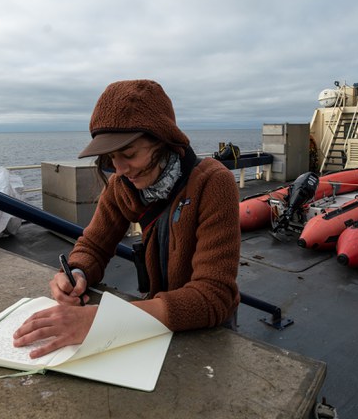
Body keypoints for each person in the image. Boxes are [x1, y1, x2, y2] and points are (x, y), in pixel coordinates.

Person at [13, 79, 241, 358]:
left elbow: (213, 296)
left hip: (207, 333)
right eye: (110, 157)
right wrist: (76, 273)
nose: (120, 169)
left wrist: (103, 321)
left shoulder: (214, 183)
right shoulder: (121, 186)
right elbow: (94, 246)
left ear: (164, 140)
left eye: (129, 154)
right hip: (152, 320)